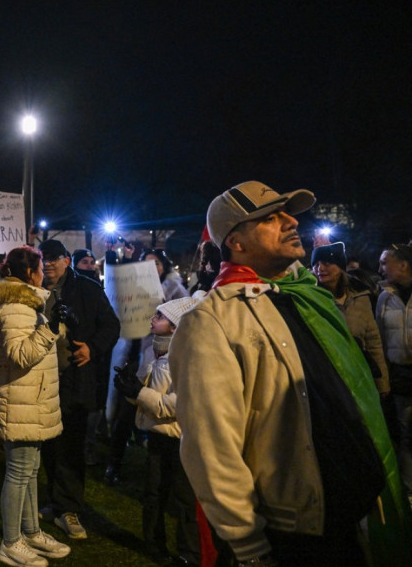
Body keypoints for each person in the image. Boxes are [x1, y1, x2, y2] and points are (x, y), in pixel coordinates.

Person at [170, 181, 410, 567]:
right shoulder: (210, 322)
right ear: (236, 242)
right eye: (269, 217)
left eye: (287, 212)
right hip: (293, 538)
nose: (289, 221)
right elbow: (211, 448)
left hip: (347, 523)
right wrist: (248, 547)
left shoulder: (307, 296)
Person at [0, 245, 71, 567]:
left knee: (30, 469)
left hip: (31, 399)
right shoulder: (15, 304)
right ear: (29, 272)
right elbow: (20, 355)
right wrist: (49, 328)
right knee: (19, 471)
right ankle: (11, 542)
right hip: (21, 400)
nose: (44, 272)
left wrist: (55, 325)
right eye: (40, 266)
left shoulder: (26, 301)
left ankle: (31, 532)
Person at [36, 239, 121, 540]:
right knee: (47, 443)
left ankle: (69, 508)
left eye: (53, 258)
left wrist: (91, 349)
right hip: (40, 381)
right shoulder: (31, 288)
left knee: (71, 445)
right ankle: (54, 502)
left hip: (73, 380)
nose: (47, 264)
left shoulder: (86, 289)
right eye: (42, 258)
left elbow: (111, 326)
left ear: (66, 260)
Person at [114, 294, 204, 565]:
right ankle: (154, 545)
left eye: (160, 316)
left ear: (176, 326)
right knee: (153, 493)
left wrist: (138, 392)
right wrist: (129, 388)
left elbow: (177, 404)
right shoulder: (153, 350)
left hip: (181, 439)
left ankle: (189, 553)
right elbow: (144, 396)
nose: (153, 319)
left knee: (184, 498)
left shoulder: (189, 357)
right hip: (155, 435)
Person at [105, 247, 187, 486]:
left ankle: (159, 472)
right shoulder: (132, 290)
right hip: (130, 353)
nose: (152, 269)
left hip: (159, 361)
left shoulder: (176, 292)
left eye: (157, 264)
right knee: (124, 414)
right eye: (147, 264)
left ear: (165, 267)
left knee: (156, 416)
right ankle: (114, 463)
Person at [311, 242, 389, 396]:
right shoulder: (311, 297)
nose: (320, 269)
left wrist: (382, 383)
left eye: (326, 263)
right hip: (329, 380)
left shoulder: (360, 294)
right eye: (316, 264)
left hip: (361, 374)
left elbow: (373, 340)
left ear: (340, 266)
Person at [377, 241, 412, 501]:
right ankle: (409, 491)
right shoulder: (384, 297)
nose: (380, 268)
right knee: (406, 433)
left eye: (384, 262)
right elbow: (379, 337)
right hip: (402, 377)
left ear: (403, 265)